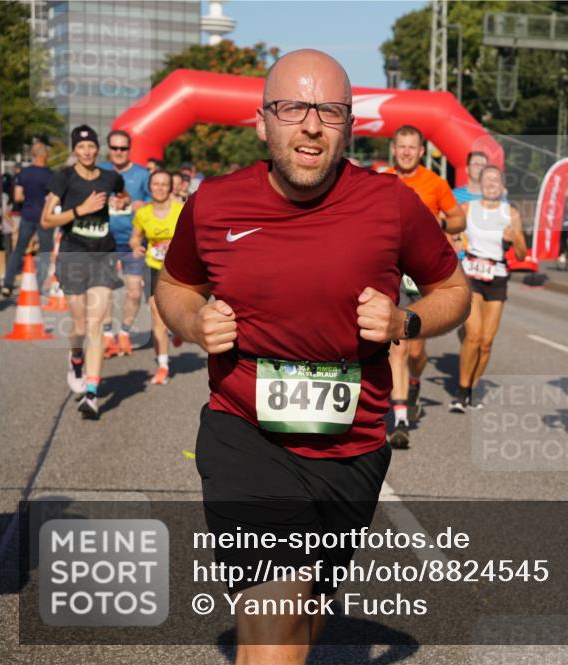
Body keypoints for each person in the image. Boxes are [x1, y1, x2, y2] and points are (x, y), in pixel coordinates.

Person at [155, 49, 469, 663]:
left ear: (349, 124)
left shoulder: (391, 205)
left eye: (329, 109)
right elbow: (175, 286)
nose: (311, 124)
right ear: (262, 120)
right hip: (247, 435)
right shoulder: (216, 204)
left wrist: (405, 320)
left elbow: (453, 292)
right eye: (293, 107)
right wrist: (194, 320)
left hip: (351, 449)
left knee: (303, 623)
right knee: (272, 639)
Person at [384, 124, 465, 448]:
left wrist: (441, 223)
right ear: (394, 149)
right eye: (401, 146)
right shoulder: (381, 180)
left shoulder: (435, 183)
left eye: (411, 147)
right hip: (391, 270)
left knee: (417, 351)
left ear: (421, 152)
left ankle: (415, 380)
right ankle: (400, 417)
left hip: (424, 274)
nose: (405, 152)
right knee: (399, 346)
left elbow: (458, 219)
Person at [41, 125, 130, 419]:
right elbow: (45, 221)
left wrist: (122, 201)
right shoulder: (63, 178)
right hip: (73, 255)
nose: (87, 152)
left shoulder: (110, 177)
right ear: (74, 151)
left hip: (103, 255)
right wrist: (80, 210)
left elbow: (123, 195)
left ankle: (91, 394)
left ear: (97, 148)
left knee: (97, 325)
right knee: (79, 327)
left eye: (91, 146)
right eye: (81, 148)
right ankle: (76, 358)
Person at [450, 165, 527, 412]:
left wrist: (514, 238)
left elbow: (523, 253)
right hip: (471, 275)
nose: (492, 184)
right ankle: (461, 392)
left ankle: (473, 387)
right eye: (487, 180)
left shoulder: (511, 214)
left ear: (502, 186)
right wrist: (451, 242)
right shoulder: (467, 209)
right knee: (473, 335)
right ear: (481, 185)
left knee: (486, 342)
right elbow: (448, 234)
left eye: (496, 180)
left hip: (497, 277)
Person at [98, 130, 150, 357]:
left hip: (133, 241)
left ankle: (125, 332)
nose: (119, 152)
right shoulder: (100, 171)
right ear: (109, 149)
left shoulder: (141, 174)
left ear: (129, 150)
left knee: (134, 292)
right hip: (103, 240)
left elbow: (155, 198)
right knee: (105, 290)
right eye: (115, 148)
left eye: (123, 148)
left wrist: (141, 203)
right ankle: (108, 335)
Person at [130, 170, 183, 385]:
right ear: (150, 187)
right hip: (153, 266)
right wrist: (136, 247)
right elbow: (136, 237)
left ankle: (179, 328)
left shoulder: (181, 211)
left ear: (170, 188)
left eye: (164, 184)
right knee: (156, 314)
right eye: (156, 184)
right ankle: (163, 365)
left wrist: (178, 244)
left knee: (176, 313)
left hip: (178, 269)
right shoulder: (143, 214)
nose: (160, 188)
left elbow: (196, 236)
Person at [2, 142, 54, 299]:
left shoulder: (23, 173)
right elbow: (53, 198)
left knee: (18, 250)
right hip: (44, 218)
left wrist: (29, 200)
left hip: (27, 215)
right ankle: (37, 288)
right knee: (45, 252)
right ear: (44, 155)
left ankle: (7, 285)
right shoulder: (50, 175)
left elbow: (17, 197)